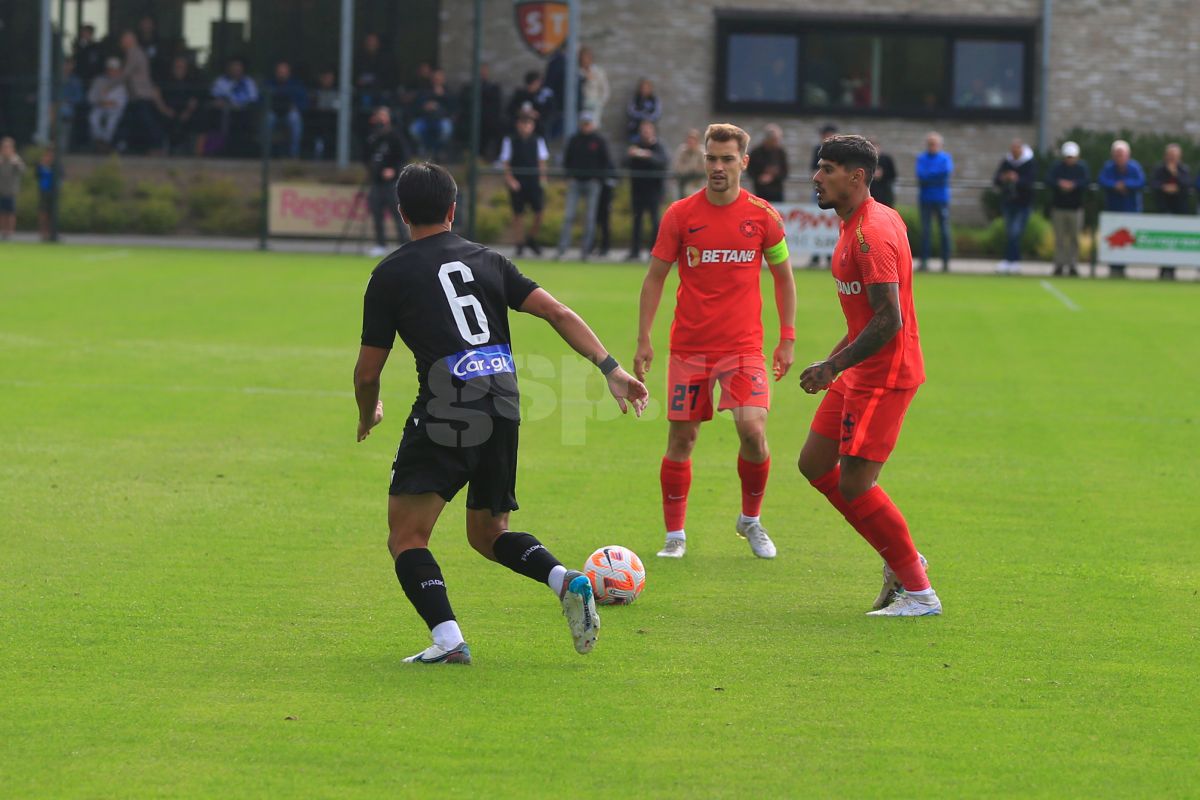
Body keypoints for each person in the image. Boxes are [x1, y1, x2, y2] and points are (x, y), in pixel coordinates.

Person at [352, 162, 648, 664]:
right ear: (452, 209)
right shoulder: (488, 260)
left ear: (402, 213)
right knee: (489, 534)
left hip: (448, 405)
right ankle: (567, 580)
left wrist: (367, 413)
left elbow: (366, 372)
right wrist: (611, 368)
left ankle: (448, 642)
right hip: (504, 401)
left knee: (407, 535)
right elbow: (558, 312)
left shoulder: (390, 274)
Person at [634, 123, 796, 560]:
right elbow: (654, 278)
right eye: (711, 158)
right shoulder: (680, 215)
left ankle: (751, 520)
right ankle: (675, 535)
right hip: (690, 347)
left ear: (744, 162)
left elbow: (783, 278)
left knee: (752, 431)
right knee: (682, 439)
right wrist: (644, 339)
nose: (717, 167)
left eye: (726, 159)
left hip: (744, 348)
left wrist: (787, 338)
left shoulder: (763, 216)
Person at [800, 134, 939, 616]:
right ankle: (899, 561)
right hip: (858, 369)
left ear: (857, 177)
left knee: (856, 484)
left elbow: (888, 320)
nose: (817, 177)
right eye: (819, 168)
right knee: (815, 464)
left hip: (885, 374)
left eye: (828, 169)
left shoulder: (871, 233)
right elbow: (864, 320)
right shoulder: (853, 224)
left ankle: (918, 589)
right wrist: (830, 364)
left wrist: (834, 365)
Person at [557, 111, 611, 260]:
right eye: (584, 123)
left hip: (592, 183)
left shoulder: (599, 141)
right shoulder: (574, 140)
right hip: (576, 182)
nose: (586, 126)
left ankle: (585, 251)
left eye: (588, 123)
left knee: (590, 218)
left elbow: (605, 161)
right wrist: (568, 176)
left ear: (592, 124)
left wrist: (598, 178)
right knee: (569, 216)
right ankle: (562, 249)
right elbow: (567, 160)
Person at [363, 106, 412, 258]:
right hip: (376, 182)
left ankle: (404, 244)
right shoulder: (372, 137)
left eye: (384, 116)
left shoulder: (395, 136)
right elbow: (365, 156)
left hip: (392, 183)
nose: (381, 119)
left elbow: (404, 157)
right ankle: (380, 244)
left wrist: (394, 171)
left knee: (398, 213)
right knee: (377, 213)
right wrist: (372, 169)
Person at [500, 113, 548, 256]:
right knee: (518, 214)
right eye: (523, 123)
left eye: (529, 124)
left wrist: (542, 178)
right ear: (518, 125)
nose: (526, 126)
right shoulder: (510, 140)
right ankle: (519, 243)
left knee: (539, 212)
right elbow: (506, 162)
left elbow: (542, 162)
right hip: (518, 181)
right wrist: (510, 180)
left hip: (533, 181)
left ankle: (531, 239)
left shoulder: (538, 140)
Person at [1098, 139, 1145, 279]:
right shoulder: (1108, 167)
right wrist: (1115, 186)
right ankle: (1114, 267)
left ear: (1128, 155)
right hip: (1113, 210)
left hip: (1130, 210)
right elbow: (1102, 180)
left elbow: (1140, 181)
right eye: (1117, 154)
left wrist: (1126, 185)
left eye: (1122, 154)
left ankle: (1123, 266)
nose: (1119, 157)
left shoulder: (1134, 167)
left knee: (1126, 240)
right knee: (1114, 239)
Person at [625, 120, 668, 261]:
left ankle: (654, 251)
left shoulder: (658, 147)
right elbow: (624, 162)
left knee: (655, 221)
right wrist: (631, 155)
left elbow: (663, 162)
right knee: (637, 221)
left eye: (648, 130)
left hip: (653, 191)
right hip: (637, 190)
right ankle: (634, 252)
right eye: (643, 130)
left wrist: (647, 155)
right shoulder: (635, 145)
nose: (646, 133)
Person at [993, 138, 1036, 274]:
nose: (1014, 151)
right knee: (1010, 232)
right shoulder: (1007, 162)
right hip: (1008, 202)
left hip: (1023, 203)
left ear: (1021, 149)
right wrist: (1005, 177)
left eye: (1017, 148)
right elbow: (996, 179)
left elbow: (1030, 181)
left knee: (1015, 232)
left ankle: (1013, 261)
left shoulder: (1029, 162)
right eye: (1013, 148)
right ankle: (1009, 261)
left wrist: (1017, 179)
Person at [1047, 141, 1089, 277]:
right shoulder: (1057, 167)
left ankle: (1072, 265)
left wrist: (1074, 185)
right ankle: (1059, 265)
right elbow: (1049, 179)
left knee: (1074, 239)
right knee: (1059, 238)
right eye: (1068, 157)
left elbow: (1086, 181)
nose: (1070, 159)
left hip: (1075, 208)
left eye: (1072, 157)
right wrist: (1060, 183)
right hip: (1059, 208)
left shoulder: (1081, 168)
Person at [1149, 143, 1191, 280]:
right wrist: (1164, 187)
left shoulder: (1183, 170)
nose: (1172, 158)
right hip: (1164, 208)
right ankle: (1163, 269)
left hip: (1178, 209)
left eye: (1175, 156)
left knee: (1175, 241)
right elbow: (1153, 184)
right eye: (1170, 156)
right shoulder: (1159, 170)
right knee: (1163, 241)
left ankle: (1172, 269)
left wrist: (1175, 174)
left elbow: (1186, 185)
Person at [119, 30, 163, 154]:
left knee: (147, 121)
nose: (122, 42)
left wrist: (108, 86)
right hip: (135, 95)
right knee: (129, 120)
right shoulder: (135, 52)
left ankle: (158, 145)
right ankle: (119, 144)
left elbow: (125, 74)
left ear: (131, 41)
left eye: (124, 40)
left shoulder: (134, 53)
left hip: (141, 94)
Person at [916, 131, 953, 272]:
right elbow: (921, 175)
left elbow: (944, 174)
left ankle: (945, 262)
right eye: (930, 144)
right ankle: (924, 262)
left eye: (935, 144)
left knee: (944, 231)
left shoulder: (945, 158)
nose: (932, 146)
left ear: (940, 145)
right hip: (925, 199)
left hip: (941, 199)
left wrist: (929, 176)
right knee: (925, 232)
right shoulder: (922, 158)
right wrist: (934, 175)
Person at [208, 57, 259, 157]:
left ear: (242, 69)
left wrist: (241, 105)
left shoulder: (248, 82)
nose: (236, 70)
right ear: (228, 68)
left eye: (238, 67)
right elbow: (214, 98)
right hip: (225, 112)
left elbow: (254, 99)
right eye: (233, 67)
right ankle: (223, 150)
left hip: (244, 112)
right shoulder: (221, 81)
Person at [156, 55, 202, 155]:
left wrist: (187, 113)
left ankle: (193, 152)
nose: (179, 69)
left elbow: (193, 101)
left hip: (185, 113)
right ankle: (164, 151)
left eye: (182, 67)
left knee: (198, 119)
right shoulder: (166, 80)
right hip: (168, 112)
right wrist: (165, 110)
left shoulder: (191, 81)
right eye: (177, 66)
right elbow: (157, 95)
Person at [409, 68, 456, 160]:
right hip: (425, 119)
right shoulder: (424, 90)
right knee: (414, 129)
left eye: (439, 77)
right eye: (435, 77)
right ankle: (424, 149)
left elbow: (453, 109)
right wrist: (425, 106)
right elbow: (416, 107)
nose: (437, 79)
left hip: (441, 119)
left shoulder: (448, 92)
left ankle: (438, 150)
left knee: (446, 129)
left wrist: (442, 98)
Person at [265, 60, 307, 159]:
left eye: (284, 72)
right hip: (273, 113)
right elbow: (261, 100)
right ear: (276, 72)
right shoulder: (269, 84)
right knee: (268, 118)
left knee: (294, 118)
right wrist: (269, 105)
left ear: (289, 72)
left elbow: (304, 103)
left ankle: (294, 154)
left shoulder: (296, 85)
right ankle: (266, 154)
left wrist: (296, 107)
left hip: (289, 114)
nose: (282, 74)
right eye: (279, 72)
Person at [88, 58, 129, 153]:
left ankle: (105, 143)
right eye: (110, 69)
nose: (112, 72)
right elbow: (91, 97)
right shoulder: (99, 80)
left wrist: (112, 103)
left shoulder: (121, 83)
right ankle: (99, 141)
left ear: (119, 70)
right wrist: (100, 102)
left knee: (112, 121)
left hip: (115, 110)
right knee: (93, 118)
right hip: (100, 107)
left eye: (115, 69)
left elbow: (123, 102)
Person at [747, 124, 789, 202]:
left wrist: (773, 177)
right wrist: (759, 178)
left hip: (777, 192)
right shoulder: (755, 152)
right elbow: (749, 171)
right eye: (775, 140)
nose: (777, 142)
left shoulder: (781, 152)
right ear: (768, 139)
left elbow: (785, 172)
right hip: (760, 192)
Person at [579, 46, 610, 127]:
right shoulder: (577, 71)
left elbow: (605, 89)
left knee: (592, 126)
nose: (585, 60)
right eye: (583, 58)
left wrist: (600, 102)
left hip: (594, 103)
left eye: (587, 57)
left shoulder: (599, 71)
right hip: (580, 104)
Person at [0, 137, 24, 241]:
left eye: (8, 147)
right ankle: (3, 231)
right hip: (1, 190)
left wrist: (17, 164)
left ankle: (10, 232)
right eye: (4, 147)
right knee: (2, 212)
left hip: (11, 191)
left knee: (10, 213)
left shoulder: (16, 159)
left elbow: (22, 171)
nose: (6, 149)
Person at [672, 128, 705, 199]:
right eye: (690, 139)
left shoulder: (702, 152)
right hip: (682, 183)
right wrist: (691, 169)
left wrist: (692, 170)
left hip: (698, 184)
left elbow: (704, 169)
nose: (691, 142)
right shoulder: (682, 151)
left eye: (694, 139)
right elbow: (678, 168)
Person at [869, 138, 897, 208]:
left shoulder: (886, 159)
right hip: (872, 193)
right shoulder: (866, 161)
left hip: (885, 193)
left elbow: (893, 175)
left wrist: (882, 175)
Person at [36, 147, 56, 241]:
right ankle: (43, 233)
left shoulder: (56, 166)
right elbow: (36, 175)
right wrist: (43, 165)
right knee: (43, 212)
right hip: (44, 191)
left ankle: (51, 233)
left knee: (51, 213)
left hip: (53, 193)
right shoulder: (41, 166)